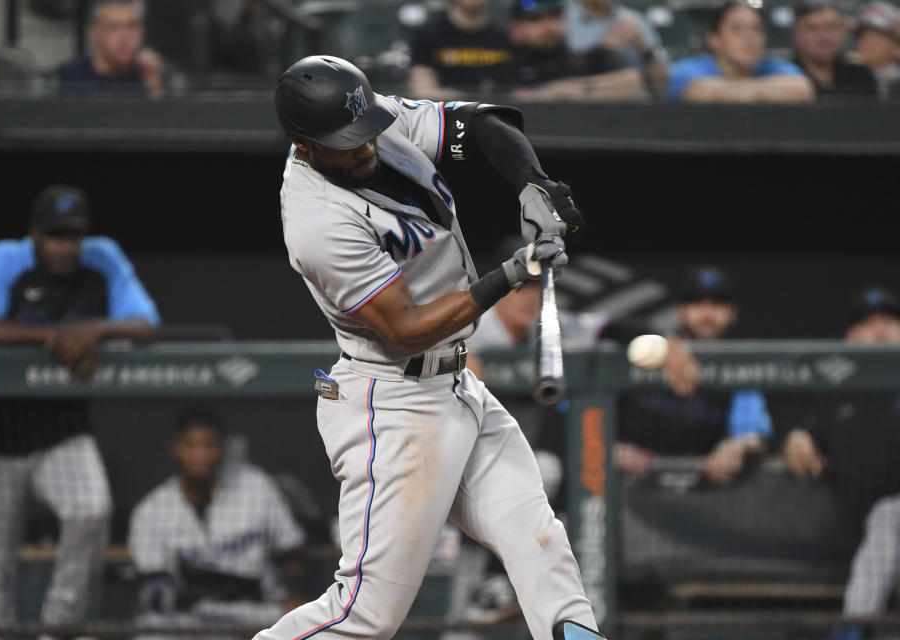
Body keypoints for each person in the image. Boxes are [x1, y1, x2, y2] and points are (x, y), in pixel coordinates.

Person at [266, 55, 606, 640]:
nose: (366, 145)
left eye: (366, 128)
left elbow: (483, 124)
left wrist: (534, 182)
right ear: (303, 143)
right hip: (392, 403)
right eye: (347, 141)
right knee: (364, 616)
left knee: (539, 539)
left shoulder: (378, 123)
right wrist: (514, 272)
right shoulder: (315, 219)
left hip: (455, 386)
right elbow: (406, 328)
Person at [0, 184, 160, 630]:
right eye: (54, 235)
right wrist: (52, 337)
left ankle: (59, 629)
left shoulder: (102, 258)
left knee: (91, 510)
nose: (65, 246)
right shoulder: (7, 258)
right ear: (34, 235)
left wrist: (94, 328)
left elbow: (146, 324)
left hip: (63, 433)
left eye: (72, 235)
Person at [783, 287, 900, 640]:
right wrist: (798, 436)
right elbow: (807, 430)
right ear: (850, 337)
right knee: (887, 520)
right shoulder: (838, 394)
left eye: (889, 322)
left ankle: (852, 630)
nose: (879, 332)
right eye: (867, 324)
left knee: (891, 514)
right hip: (870, 546)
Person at [129, 408, 307, 630]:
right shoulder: (151, 509)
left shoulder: (255, 486)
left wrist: (295, 595)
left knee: (295, 623)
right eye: (190, 445)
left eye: (209, 445)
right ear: (175, 449)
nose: (200, 455)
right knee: (150, 626)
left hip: (255, 611)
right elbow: (154, 585)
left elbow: (291, 549)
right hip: (186, 620)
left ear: (221, 448)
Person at [616, 266, 772, 483]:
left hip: (693, 495)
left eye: (717, 304)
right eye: (697, 303)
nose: (707, 314)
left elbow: (753, 433)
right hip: (625, 484)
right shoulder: (647, 350)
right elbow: (603, 328)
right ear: (680, 311)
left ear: (733, 313)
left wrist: (738, 446)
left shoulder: (737, 368)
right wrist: (607, 446)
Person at [666, 0, 814, 102]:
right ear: (714, 39)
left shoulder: (772, 66)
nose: (750, 38)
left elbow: (802, 88)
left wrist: (735, 91)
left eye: (756, 29)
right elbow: (696, 90)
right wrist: (766, 91)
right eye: (737, 29)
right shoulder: (689, 68)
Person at [506, 0, 645, 101]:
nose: (550, 27)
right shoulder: (506, 64)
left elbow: (632, 83)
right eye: (537, 20)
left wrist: (568, 90)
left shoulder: (587, 59)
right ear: (516, 29)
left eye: (555, 17)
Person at [56, 0, 165, 97]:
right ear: (95, 32)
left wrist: (155, 90)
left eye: (131, 26)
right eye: (113, 27)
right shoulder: (69, 77)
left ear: (141, 32)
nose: (124, 37)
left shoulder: (151, 75)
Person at [408, 0, 516, 98]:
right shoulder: (428, 36)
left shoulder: (503, 38)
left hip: (498, 114)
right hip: (447, 115)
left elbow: (516, 90)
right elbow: (423, 91)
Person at [563, 0, 668, 95]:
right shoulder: (564, 21)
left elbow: (663, 83)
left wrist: (645, 49)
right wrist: (603, 49)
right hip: (581, 105)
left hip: (637, 105)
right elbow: (560, 80)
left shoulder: (635, 20)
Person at [791, 0, 877, 101]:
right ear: (796, 34)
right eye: (813, 28)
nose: (824, 36)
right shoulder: (785, 76)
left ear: (843, 31)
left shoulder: (860, 75)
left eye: (831, 27)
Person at [851, 1, 900, 100]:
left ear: (895, 43)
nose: (867, 44)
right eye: (863, 37)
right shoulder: (847, 75)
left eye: (876, 38)